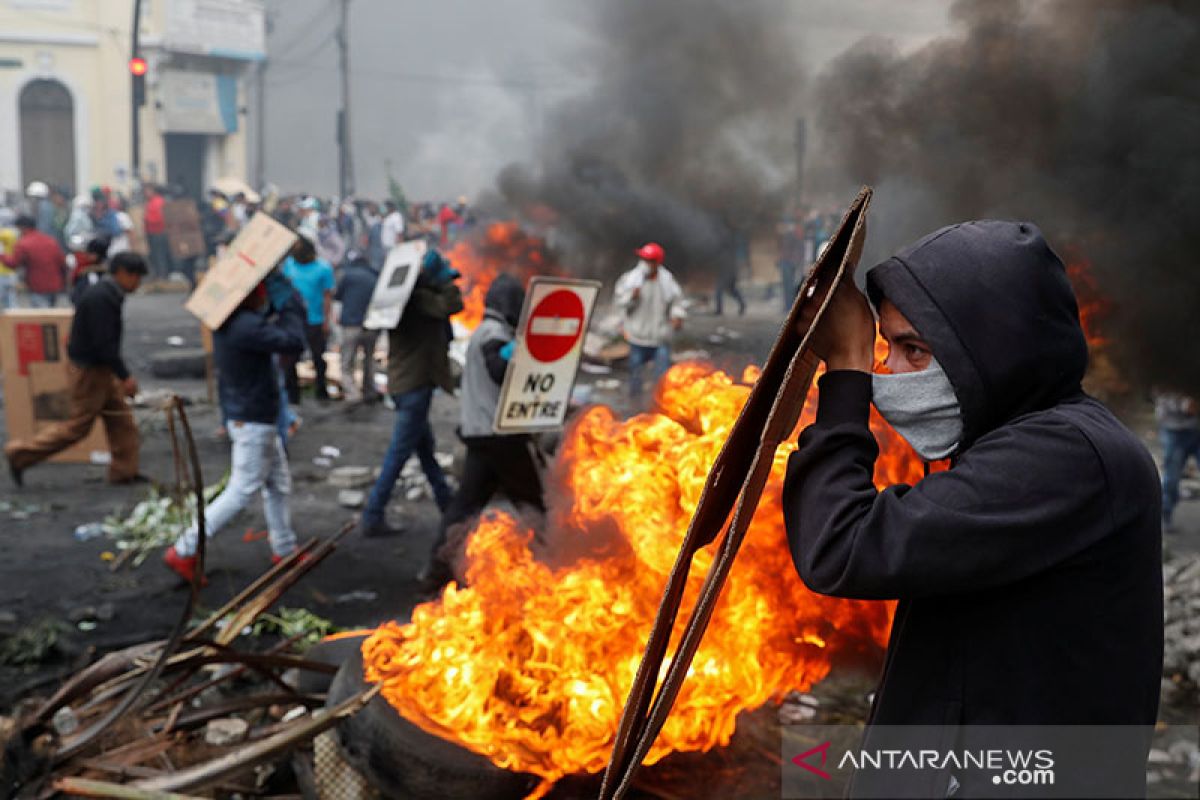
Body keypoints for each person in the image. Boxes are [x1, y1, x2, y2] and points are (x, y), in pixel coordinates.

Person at [783, 220, 1162, 798]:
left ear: (992, 347)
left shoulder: (1066, 455)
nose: (892, 373)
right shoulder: (1014, 444)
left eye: (914, 349)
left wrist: (847, 370)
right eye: (885, 348)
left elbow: (843, 545)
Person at [163, 273, 308, 582]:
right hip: (254, 420)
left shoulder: (234, 321)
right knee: (241, 491)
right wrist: (292, 305)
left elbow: (268, 329)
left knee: (278, 485)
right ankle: (184, 549)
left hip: (252, 415)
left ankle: (284, 548)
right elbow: (293, 341)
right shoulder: (246, 327)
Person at [423, 273, 545, 590]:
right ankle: (558, 560)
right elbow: (497, 368)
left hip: (482, 433)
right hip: (499, 434)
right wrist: (515, 357)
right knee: (534, 502)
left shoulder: (486, 331)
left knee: (465, 507)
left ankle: (436, 570)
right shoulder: (494, 334)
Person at [5, 252, 148, 486]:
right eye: (136, 277)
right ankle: (20, 454)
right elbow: (105, 344)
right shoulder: (103, 298)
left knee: (121, 421)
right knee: (77, 427)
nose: (138, 284)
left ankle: (124, 471)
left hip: (98, 368)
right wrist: (124, 376)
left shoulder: (106, 293)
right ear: (122, 273)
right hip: (91, 371)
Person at [358, 249, 461, 538]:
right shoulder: (418, 301)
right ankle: (373, 515)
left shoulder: (402, 301)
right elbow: (452, 305)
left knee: (425, 450)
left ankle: (447, 505)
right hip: (414, 386)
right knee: (399, 453)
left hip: (406, 384)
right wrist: (445, 281)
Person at [613, 242, 685, 400]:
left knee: (662, 377)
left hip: (660, 338)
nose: (645, 263)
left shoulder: (667, 281)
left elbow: (677, 302)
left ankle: (659, 405)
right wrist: (632, 297)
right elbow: (620, 303)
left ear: (657, 263)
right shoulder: (631, 280)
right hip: (637, 337)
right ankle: (635, 405)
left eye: (649, 260)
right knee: (635, 375)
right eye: (644, 259)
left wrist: (677, 316)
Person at [281, 235, 335, 401]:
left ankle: (321, 390)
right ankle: (293, 394)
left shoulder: (323, 268)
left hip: (315, 319)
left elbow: (327, 296)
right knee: (290, 359)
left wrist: (327, 321)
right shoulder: (289, 265)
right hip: (293, 320)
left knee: (318, 357)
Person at [334, 250, 381, 403]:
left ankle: (353, 394)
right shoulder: (376, 277)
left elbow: (338, 296)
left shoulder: (348, 276)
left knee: (347, 361)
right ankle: (370, 392)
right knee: (369, 360)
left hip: (351, 325)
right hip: (371, 325)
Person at [1154, 390, 1199, 533]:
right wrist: (1185, 405)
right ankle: (1165, 516)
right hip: (1174, 429)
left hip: (1196, 428)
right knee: (1172, 476)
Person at [1, 215, 67, 307]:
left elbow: (13, 263)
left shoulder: (24, 244)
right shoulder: (50, 240)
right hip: (55, 286)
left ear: (22, 228)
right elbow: (62, 262)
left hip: (38, 287)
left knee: (41, 317)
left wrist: (2, 255)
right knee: (51, 317)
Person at [143, 184, 173, 278]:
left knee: (160, 255)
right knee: (154, 255)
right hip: (152, 233)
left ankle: (162, 275)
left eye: (147, 191)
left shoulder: (158, 202)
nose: (145, 193)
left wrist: (147, 219)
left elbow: (159, 218)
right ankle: (158, 274)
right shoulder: (150, 202)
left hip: (159, 232)